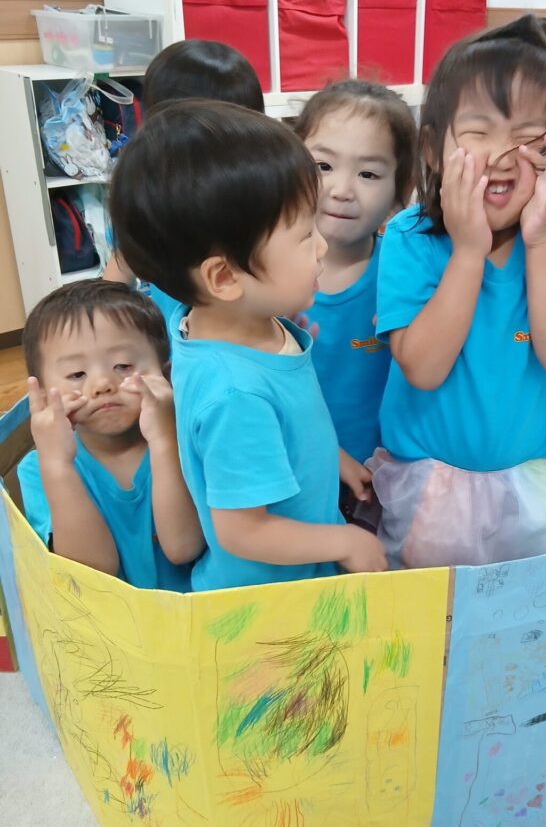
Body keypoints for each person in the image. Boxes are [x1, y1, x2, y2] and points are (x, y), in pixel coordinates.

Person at [370, 13, 546, 569]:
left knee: (541, 611)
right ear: (433, 149)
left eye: (528, 135)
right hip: (431, 481)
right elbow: (423, 368)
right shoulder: (411, 235)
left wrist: (541, 240)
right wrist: (469, 250)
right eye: (479, 130)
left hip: (539, 486)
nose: (503, 154)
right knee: (436, 611)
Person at [108, 99, 388, 591]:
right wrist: (345, 542)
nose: (322, 245)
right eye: (304, 235)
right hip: (267, 602)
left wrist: (333, 457)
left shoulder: (240, 323)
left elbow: (290, 425)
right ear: (224, 278)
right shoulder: (235, 394)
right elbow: (243, 532)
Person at [17, 280, 204, 590]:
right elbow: (93, 574)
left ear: (166, 374)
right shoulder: (39, 469)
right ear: (43, 393)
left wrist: (164, 439)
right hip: (102, 618)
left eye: (123, 365)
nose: (103, 384)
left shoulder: (186, 442)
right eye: (77, 374)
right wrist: (57, 465)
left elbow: (184, 547)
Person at [293, 80, 417, 512]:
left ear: (402, 191)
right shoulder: (261, 279)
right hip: (290, 478)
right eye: (323, 165)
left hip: (382, 487)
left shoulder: (405, 277)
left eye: (368, 174)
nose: (342, 189)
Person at [102, 38, 265, 325]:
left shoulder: (263, 195)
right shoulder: (150, 198)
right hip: (177, 338)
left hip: (246, 335)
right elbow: (117, 274)